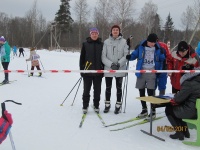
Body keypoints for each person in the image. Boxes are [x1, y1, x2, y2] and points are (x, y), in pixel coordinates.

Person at [126, 33, 165, 119]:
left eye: (154, 42)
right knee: (141, 90)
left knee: (151, 92)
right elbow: (135, 55)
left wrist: (161, 66)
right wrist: (130, 57)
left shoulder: (158, 48)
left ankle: (153, 110)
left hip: (152, 71)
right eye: (151, 42)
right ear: (147, 41)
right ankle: (144, 109)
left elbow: (162, 59)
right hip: (141, 71)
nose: (153, 44)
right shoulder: (141, 47)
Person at [165, 67, 200, 140]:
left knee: (169, 109)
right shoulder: (196, 81)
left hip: (192, 112)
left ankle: (179, 133)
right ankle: (185, 132)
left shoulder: (189, 83)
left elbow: (178, 99)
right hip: (197, 111)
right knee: (179, 108)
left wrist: (175, 97)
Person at [101, 24, 128, 114]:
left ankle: (118, 104)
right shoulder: (106, 42)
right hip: (109, 69)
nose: (115, 31)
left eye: (117, 30)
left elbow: (126, 55)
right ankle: (107, 104)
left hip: (120, 69)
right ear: (111, 31)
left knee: (118, 88)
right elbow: (103, 56)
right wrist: (111, 64)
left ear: (119, 31)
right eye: (114, 30)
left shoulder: (124, 42)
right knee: (108, 87)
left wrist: (119, 64)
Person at [79, 28, 104, 114]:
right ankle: (85, 106)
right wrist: (82, 70)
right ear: (90, 34)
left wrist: (103, 69)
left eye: (96, 33)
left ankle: (96, 105)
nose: (94, 35)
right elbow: (82, 58)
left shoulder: (101, 44)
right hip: (87, 72)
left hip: (98, 72)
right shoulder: (85, 44)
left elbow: (103, 58)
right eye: (93, 33)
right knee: (86, 90)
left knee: (97, 90)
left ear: (98, 34)